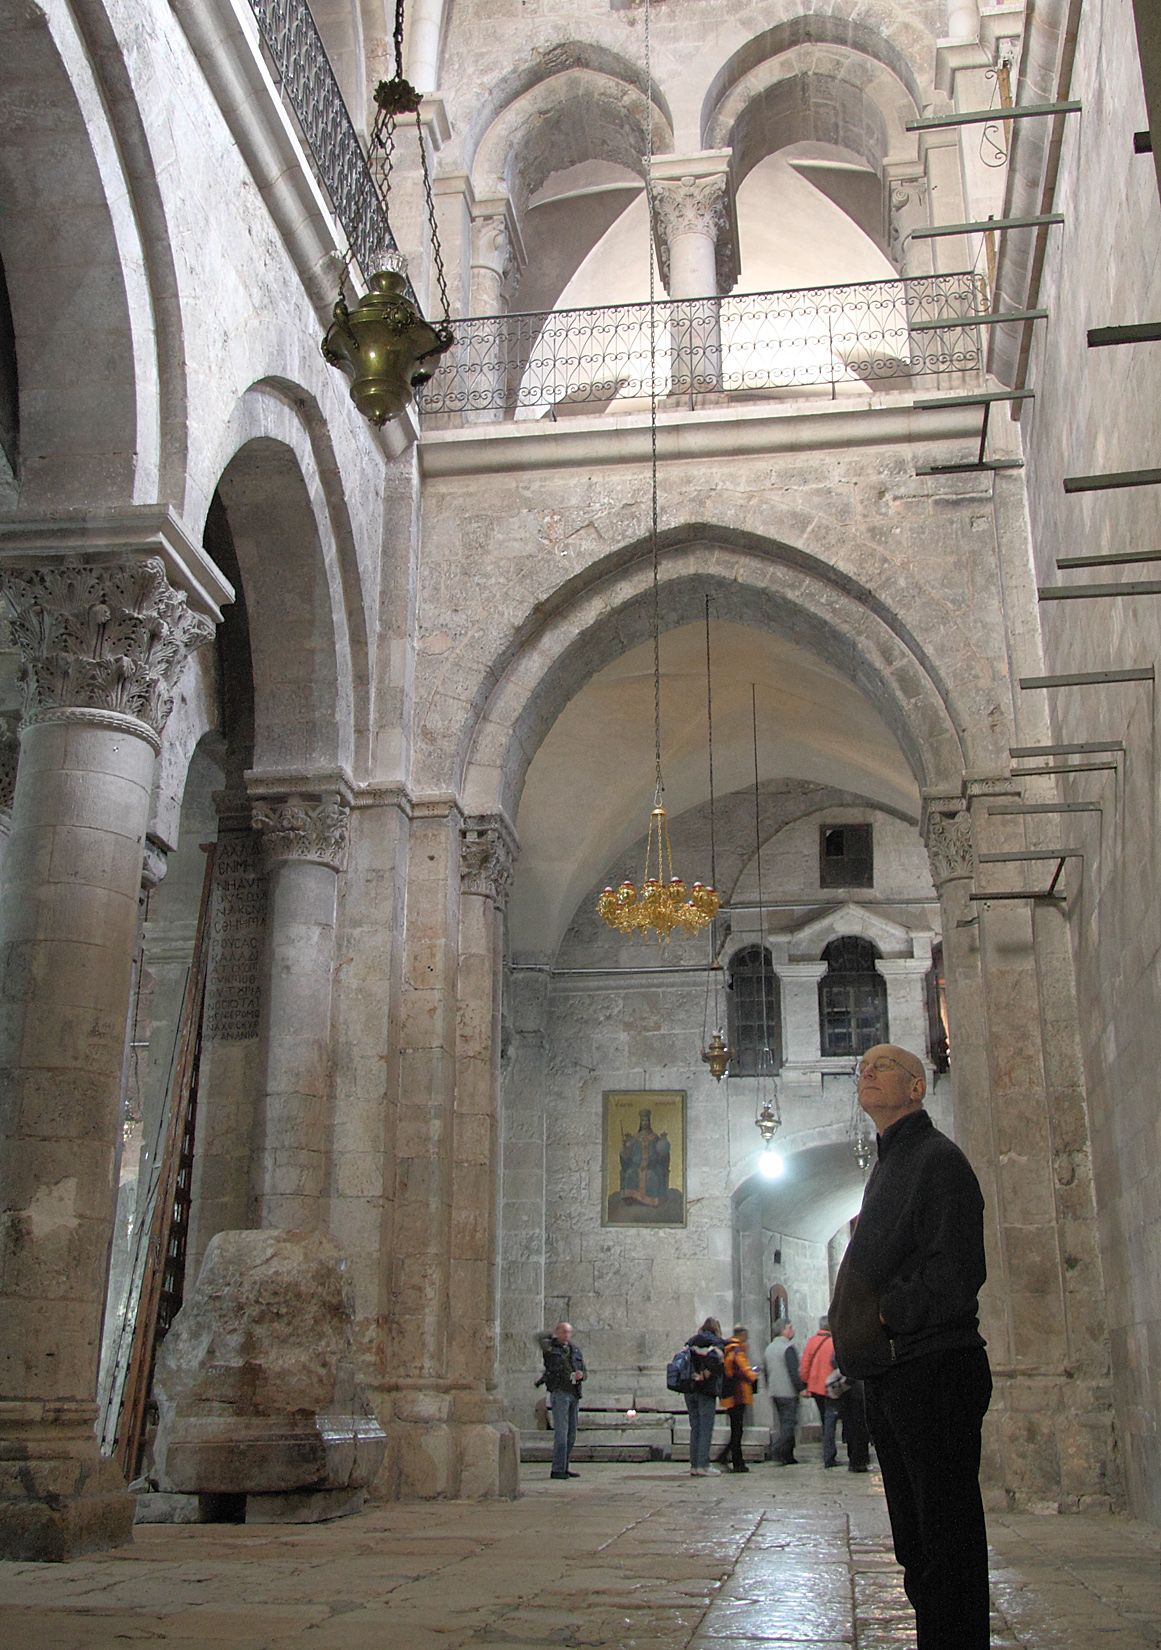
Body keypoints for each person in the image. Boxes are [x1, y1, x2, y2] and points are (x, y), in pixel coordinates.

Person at [830, 1044, 991, 1650]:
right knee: (918, 1547)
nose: (865, 1072)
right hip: (897, 1374)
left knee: (945, 1544)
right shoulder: (894, 1162)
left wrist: (884, 1316)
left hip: (933, 1370)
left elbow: (956, 1269)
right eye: (861, 1068)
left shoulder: (936, 1160)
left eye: (882, 1066)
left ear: (917, 1088)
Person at [536, 1321, 586, 1481]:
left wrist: (581, 1375)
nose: (567, 1335)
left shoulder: (575, 1350)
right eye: (564, 1332)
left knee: (571, 1434)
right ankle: (557, 1469)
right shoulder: (551, 1349)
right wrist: (554, 1336)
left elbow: (584, 1370)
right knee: (562, 1433)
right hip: (560, 1393)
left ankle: (564, 1466)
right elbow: (538, 1337)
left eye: (569, 1332)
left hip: (574, 1393)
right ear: (558, 1333)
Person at [683, 1316, 725, 1476]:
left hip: (689, 1389)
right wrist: (706, 1374)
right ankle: (703, 1465)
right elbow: (716, 1362)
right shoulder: (716, 1342)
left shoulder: (691, 1341)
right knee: (706, 1428)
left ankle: (694, 1465)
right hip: (705, 1390)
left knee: (695, 1428)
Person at [716, 1325, 759, 1472]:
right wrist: (754, 1376)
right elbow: (743, 1369)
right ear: (741, 1335)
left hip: (733, 1395)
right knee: (737, 1430)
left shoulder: (730, 1349)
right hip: (738, 1395)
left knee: (736, 1430)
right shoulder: (736, 1350)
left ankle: (726, 1456)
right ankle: (737, 1462)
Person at [798, 1315, 840, 1467]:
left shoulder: (812, 1341)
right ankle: (829, 1456)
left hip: (815, 1387)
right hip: (830, 1387)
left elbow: (804, 1366)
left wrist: (806, 1383)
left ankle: (828, 1452)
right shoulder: (834, 1342)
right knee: (830, 1421)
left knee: (825, 1419)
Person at [763, 1320, 804, 1464]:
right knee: (789, 1424)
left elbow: (766, 1372)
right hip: (787, 1391)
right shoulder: (788, 1348)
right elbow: (794, 1371)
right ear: (783, 1331)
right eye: (789, 1327)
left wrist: (770, 1387)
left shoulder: (769, 1348)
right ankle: (777, 1451)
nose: (792, 1330)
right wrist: (801, 1388)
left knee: (783, 1423)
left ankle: (787, 1455)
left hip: (775, 1391)